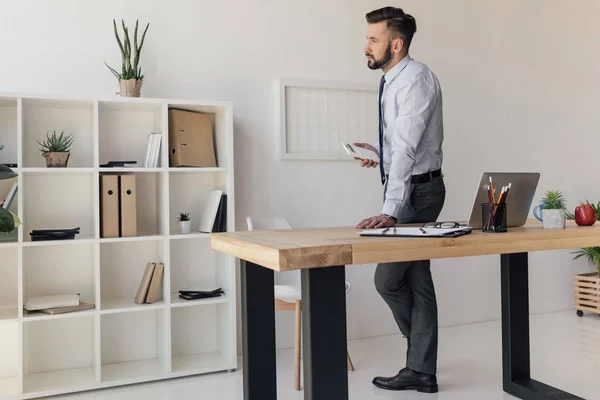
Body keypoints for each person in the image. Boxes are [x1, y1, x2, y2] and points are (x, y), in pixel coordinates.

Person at [354, 6, 446, 394]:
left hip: (418, 193)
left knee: (387, 278)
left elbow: (408, 149)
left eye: (373, 39)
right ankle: (421, 369)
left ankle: (419, 360)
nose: (366, 46)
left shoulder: (416, 80)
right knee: (417, 280)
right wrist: (378, 152)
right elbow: (404, 145)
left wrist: (390, 212)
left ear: (396, 43)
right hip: (414, 184)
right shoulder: (394, 78)